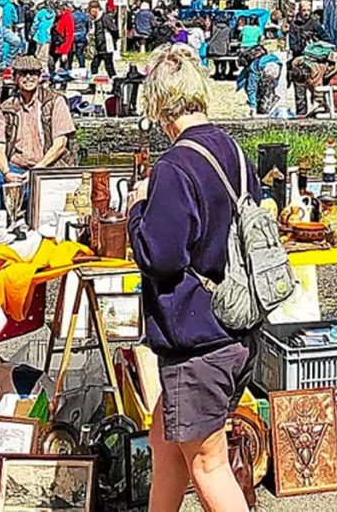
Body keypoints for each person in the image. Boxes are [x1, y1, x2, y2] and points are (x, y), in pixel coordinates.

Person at [126, 44, 257, 512]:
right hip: (236, 326)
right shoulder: (233, 152)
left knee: (208, 465)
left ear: (160, 107)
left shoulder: (175, 166)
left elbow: (159, 257)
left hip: (198, 340)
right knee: (165, 440)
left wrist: (137, 207)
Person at [0, 56, 75, 210]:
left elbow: (60, 144)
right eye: (23, 73)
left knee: (35, 191)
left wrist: (36, 170)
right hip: (15, 167)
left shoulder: (55, 102)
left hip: (48, 166)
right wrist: (6, 172)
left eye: (33, 73)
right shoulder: (6, 107)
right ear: (14, 78)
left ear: (40, 76)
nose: (28, 78)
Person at [88, 0, 119, 78]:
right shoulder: (95, 20)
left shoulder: (105, 18)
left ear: (96, 9)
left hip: (107, 46)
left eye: (91, 11)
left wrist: (114, 41)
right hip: (99, 47)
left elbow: (114, 29)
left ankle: (116, 85)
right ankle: (92, 86)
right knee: (94, 66)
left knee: (109, 66)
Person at [52, 2, 76, 71]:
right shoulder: (57, 18)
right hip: (56, 46)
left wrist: (65, 52)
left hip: (65, 47)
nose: (57, 11)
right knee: (51, 65)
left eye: (59, 9)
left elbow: (69, 36)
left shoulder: (68, 17)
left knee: (65, 69)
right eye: (56, 10)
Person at [72, 4, 89, 68]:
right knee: (80, 53)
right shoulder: (84, 15)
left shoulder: (71, 15)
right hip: (82, 36)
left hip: (73, 36)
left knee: (71, 54)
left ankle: (69, 68)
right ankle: (82, 67)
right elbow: (87, 26)